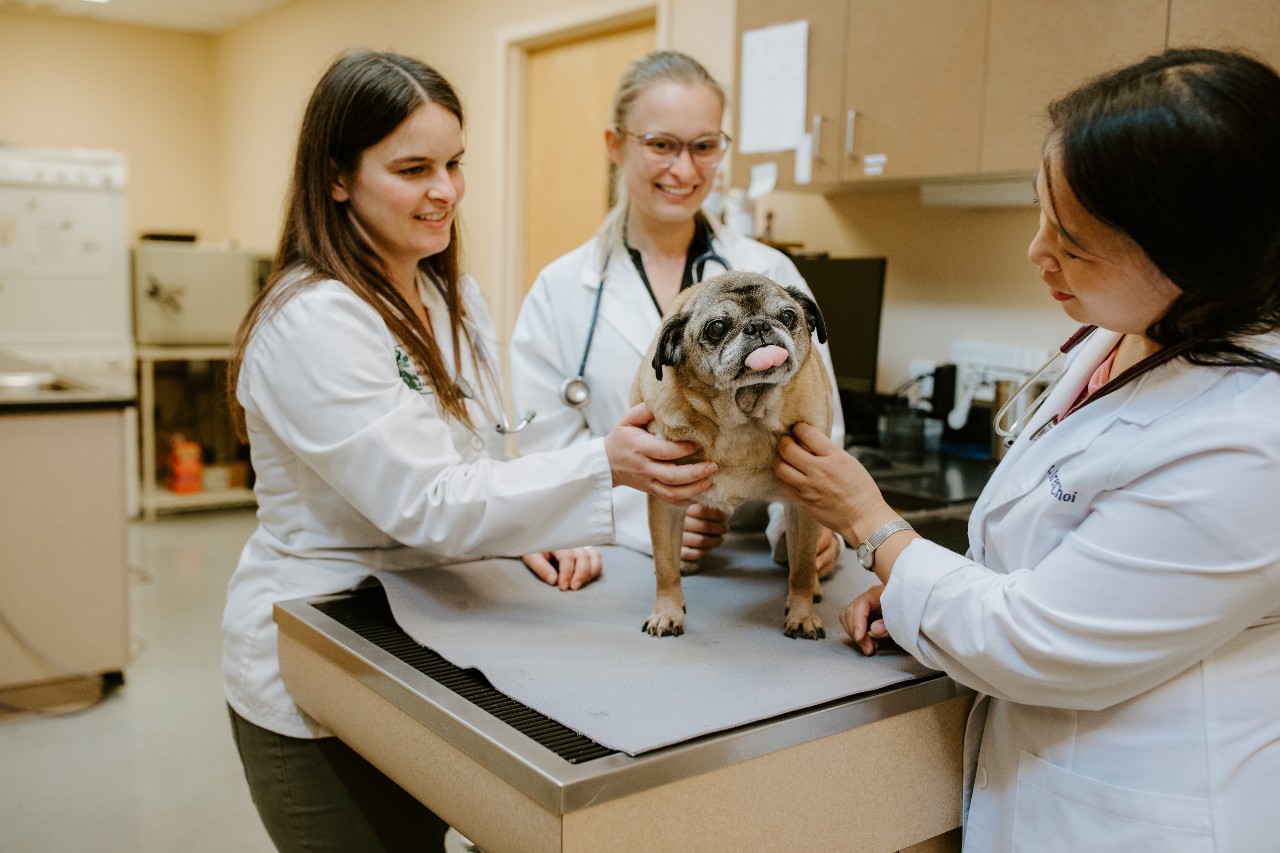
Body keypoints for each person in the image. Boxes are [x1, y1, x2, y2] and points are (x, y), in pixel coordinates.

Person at [777, 46, 1280, 850]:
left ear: (1195, 256)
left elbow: (1034, 639)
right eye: (1042, 213)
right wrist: (921, 596)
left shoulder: (1255, 438)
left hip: (1153, 813)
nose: (1037, 252)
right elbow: (1055, 569)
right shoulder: (1120, 339)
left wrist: (875, 528)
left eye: (1074, 241)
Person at [221, 49, 716, 853]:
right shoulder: (312, 320)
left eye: (454, 163)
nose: (445, 190)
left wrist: (535, 525)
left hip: (429, 637)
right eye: (413, 168)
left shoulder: (453, 298)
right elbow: (427, 501)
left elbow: (481, 462)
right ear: (337, 177)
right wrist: (606, 466)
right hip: (323, 649)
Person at [511, 50, 845, 572]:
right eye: (661, 145)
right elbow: (542, 449)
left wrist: (801, 526)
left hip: (751, 563)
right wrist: (636, 510)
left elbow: (819, 421)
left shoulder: (770, 272)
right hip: (620, 559)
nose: (685, 169)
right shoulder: (560, 289)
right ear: (615, 145)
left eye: (704, 146)